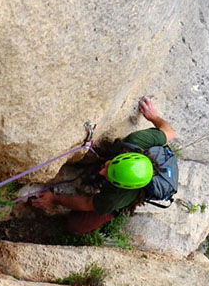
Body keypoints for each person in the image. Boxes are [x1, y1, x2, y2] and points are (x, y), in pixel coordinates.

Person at [30, 96, 176, 235]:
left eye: (109, 175)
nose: (102, 171)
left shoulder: (118, 196)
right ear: (125, 155)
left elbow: (88, 203)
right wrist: (154, 117)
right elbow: (170, 133)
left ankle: (111, 211)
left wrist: (55, 199)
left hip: (117, 199)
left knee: (76, 225)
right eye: (109, 165)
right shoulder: (137, 141)